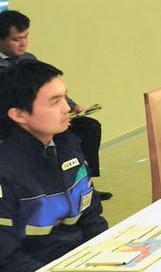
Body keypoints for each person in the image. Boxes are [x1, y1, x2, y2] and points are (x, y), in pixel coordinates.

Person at [0, 60, 108, 272]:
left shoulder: (68, 144)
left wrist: (106, 256)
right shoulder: (6, 170)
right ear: (18, 115)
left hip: (80, 269)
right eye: (54, 101)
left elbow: (92, 217)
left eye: (65, 97)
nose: (67, 108)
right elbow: (7, 262)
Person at [0, 10, 107, 200]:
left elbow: (48, 88)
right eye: (16, 39)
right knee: (61, 137)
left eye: (26, 37)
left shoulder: (28, 59)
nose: (23, 43)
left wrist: (71, 105)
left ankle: (84, 181)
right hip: (13, 123)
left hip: (41, 117)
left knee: (89, 127)